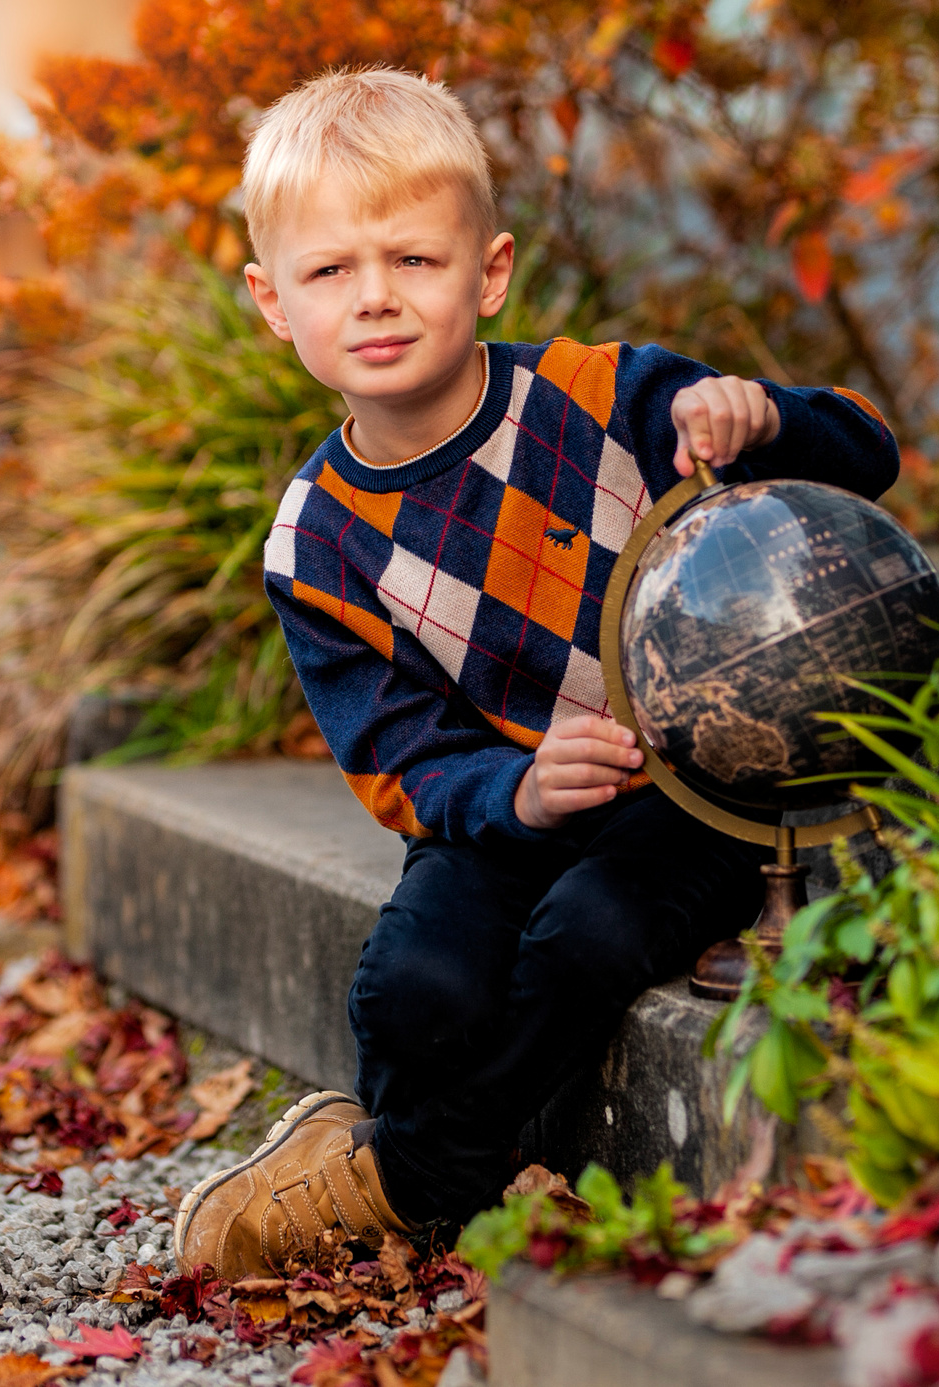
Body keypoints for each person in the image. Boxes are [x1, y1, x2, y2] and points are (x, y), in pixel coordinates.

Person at [170, 68, 899, 1272]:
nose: (376, 299)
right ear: (270, 301)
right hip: (505, 809)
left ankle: (405, 1183)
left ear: (489, 272)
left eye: (414, 260)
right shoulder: (316, 540)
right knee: (417, 982)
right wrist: (511, 793)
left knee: (587, 934)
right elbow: (399, 758)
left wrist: (762, 418)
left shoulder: (603, 399)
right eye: (330, 271)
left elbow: (864, 458)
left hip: (691, 792)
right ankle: (420, 1180)